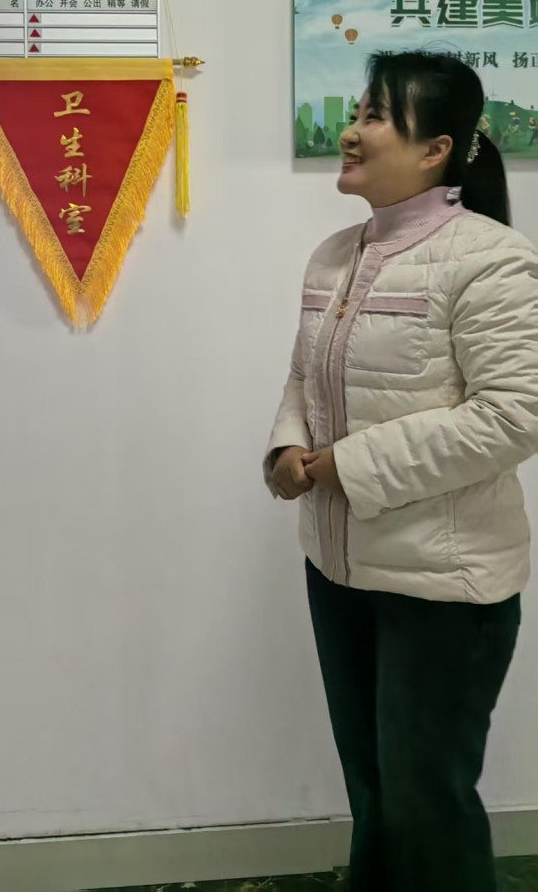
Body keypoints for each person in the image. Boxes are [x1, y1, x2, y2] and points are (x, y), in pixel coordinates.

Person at [265, 51, 538, 892]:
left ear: (435, 150)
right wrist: (285, 447)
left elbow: (514, 415)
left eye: (375, 116)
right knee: (375, 794)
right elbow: (305, 377)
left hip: (443, 586)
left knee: (427, 804)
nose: (351, 131)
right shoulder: (333, 256)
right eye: (357, 111)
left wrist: (345, 465)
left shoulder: (492, 259)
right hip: (339, 568)